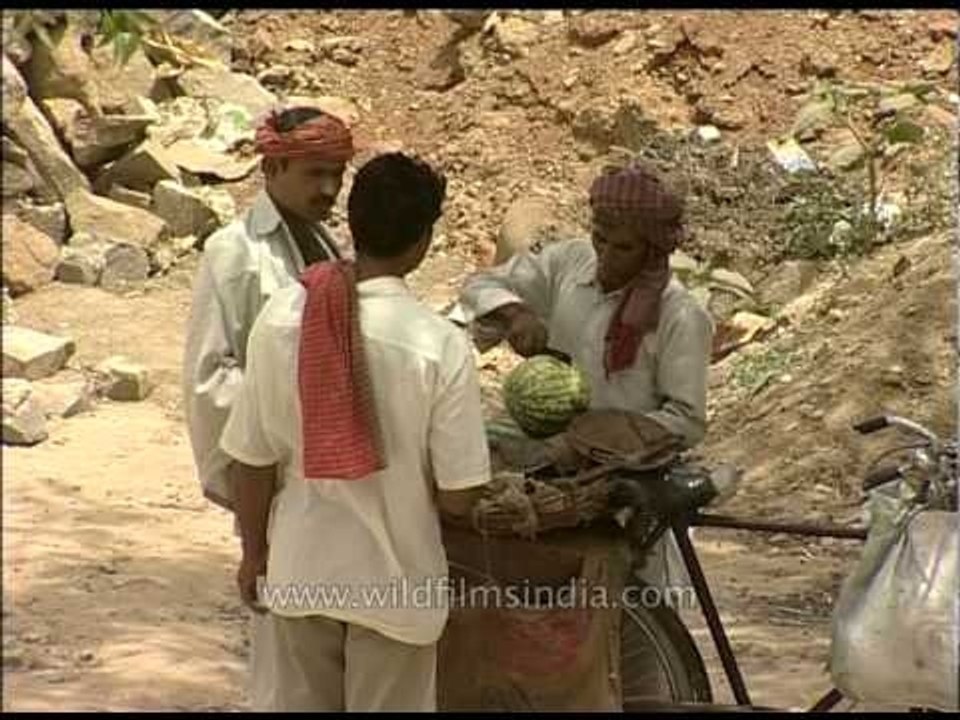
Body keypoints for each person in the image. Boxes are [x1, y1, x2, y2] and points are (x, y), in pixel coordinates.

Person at [218, 152, 492, 711]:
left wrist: (254, 554)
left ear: (353, 221)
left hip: (302, 573)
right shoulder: (439, 345)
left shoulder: (285, 317)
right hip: (396, 590)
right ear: (423, 241)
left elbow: (250, 458)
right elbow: (461, 494)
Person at [457, 161, 715, 586]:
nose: (607, 257)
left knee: (630, 601)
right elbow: (480, 286)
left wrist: (596, 439)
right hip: (553, 474)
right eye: (601, 239)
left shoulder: (681, 316)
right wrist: (517, 313)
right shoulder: (572, 262)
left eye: (624, 248)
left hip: (627, 481)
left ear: (653, 250)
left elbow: (686, 421)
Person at [182, 105, 354, 513]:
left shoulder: (325, 241)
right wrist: (263, 465)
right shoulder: (235, 252)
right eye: (315, 173)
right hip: (277, 469)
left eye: (337, 175)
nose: (329, 189)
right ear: (273, 167)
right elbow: (211, 379)